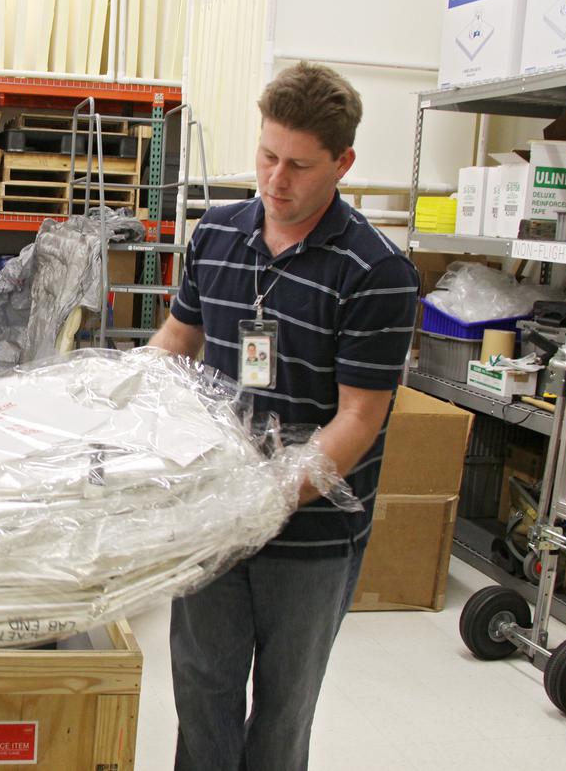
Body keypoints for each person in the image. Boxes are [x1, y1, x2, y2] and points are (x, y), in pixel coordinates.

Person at [149, 62, 418, 770]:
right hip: (211, 513)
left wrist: (267, 498)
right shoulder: (218, 235)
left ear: (344, 163)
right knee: (202, 690)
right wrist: (122, 401)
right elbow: (178, 342)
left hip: (311, 537)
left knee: (282, 708)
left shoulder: (375, 272)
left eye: (299, 165)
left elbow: (359, 418)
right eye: (268, 155)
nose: (276, 179)